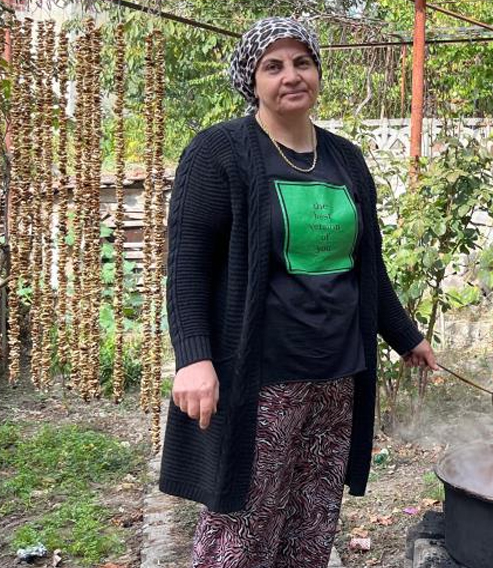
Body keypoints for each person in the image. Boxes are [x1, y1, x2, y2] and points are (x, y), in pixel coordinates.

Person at [159, 17, 438, 567]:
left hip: (338, 371)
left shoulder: (345, 159)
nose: (291, 76)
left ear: (317, 72)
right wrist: (193, 359)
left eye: (302, 62)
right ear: (252, 81)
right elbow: (187, 266)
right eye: (274, 66)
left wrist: (407, 336)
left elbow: (367, 267)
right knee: (244, 521)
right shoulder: (220, 151)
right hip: (260, 374)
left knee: (311, 516)